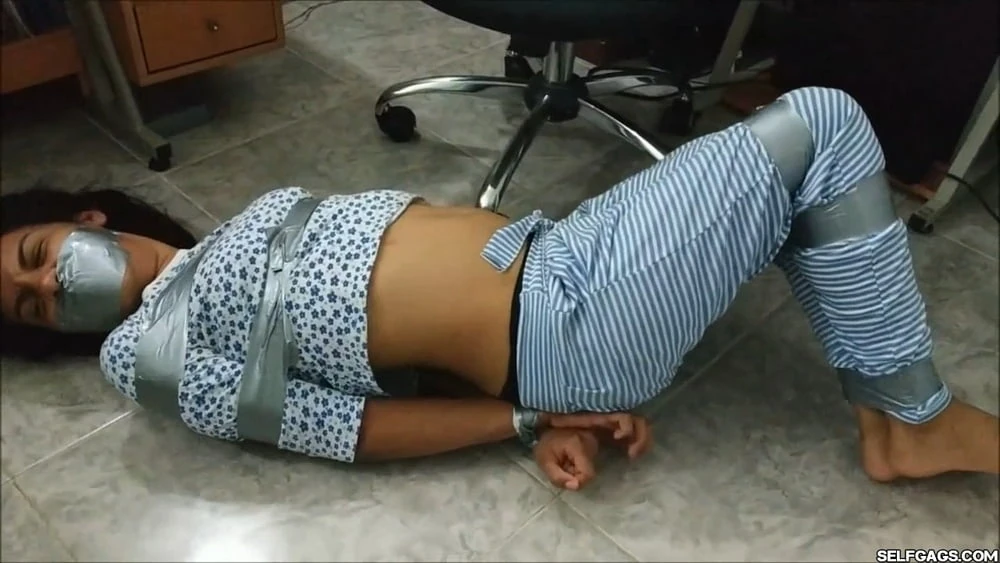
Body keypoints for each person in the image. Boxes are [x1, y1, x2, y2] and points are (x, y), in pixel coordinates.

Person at [2, 87, 997, 491]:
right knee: (821, 123)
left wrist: (530, 411)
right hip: (565, 323)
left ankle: (889, 418)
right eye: (33, 306)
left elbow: (388, 334)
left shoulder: (219, 243)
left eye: (35, 256)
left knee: (799, 192)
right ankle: (912, 415)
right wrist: (525, 418)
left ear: (84, 216)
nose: (52, 285)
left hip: (560, 255)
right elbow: (338, 426)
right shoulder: (142, 350)